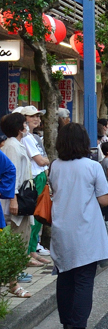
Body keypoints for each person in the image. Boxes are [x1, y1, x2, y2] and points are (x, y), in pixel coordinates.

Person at [48, 123, 108, 329]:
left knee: (65, 276)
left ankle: (66, 324)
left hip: (61, 227)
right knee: (84, 278)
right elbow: (104, 199)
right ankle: (78, 327)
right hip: (85, 228)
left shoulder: (55, 166)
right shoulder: (92, 167)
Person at [2, 113, 36, 297]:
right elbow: (11, 174)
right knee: (17, 240)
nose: (27, 125)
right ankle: (13, 283)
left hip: (20, 200)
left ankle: (13, 280)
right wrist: (13, 198)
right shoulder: (12, 146)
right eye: (25, 122)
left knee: (21, 239)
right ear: (18, 126)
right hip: (15, 202)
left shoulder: (16, 144)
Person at [17, 106, 51, 262]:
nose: (37, 119)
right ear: (23, 119)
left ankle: (33, 249)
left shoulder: (32, 136)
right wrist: (45, 161)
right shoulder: (26, 138)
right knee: (36, 215)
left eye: (38, 115)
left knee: (39, 215)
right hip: (35, 177)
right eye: (32, 116)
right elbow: (40, 160)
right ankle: (30, 251)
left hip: (39, 177)